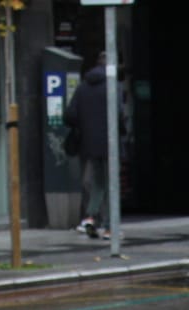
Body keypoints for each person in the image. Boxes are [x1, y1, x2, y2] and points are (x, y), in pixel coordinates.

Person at [64, 53, 110, 237]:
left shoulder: (82, 87)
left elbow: (69, 115)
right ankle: (107, 227)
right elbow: (120, 117)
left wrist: (84, 126)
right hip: (108, 143)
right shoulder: (111, 86)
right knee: (109, 184)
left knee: (96, 182)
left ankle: (90, 218)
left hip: (87, 144)